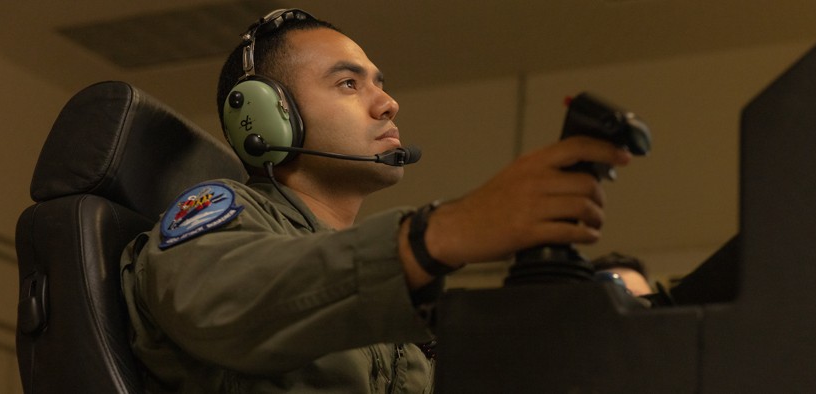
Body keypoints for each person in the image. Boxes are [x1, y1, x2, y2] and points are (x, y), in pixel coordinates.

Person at [120, 8, 633, 393]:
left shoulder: (392, 303)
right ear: (265, 118)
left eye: (379, 84)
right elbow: (223, 301)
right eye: (348, 83)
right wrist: (446, 232)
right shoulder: (216, 215)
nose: (388, 103)